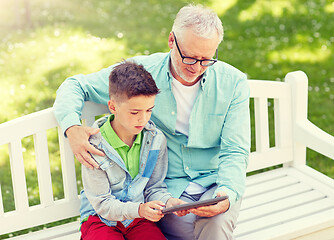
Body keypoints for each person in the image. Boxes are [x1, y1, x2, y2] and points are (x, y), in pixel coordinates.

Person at [54, 4, 250, 240]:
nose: (196, 67)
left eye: (206, 59)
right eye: (188, 57)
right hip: (165, 190)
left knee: (216, 228)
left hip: (214, 183)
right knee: (184, 231)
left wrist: (226, 194)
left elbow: (235, 150)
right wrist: (72, 128)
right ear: (171, 40)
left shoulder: (234, 83)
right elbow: (75, 85)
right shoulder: (141, 75)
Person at [80, 61, 185, 239]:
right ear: (113, 107)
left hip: (138, 218)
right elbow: (103, 204)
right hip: (100, 220)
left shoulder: (155, 140)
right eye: (134, 112)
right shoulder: (93, 146)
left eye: (149, 110)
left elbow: (153, 188)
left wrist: (169, 202)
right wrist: (139, 209)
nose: (143, 120)